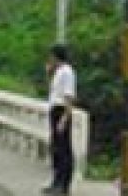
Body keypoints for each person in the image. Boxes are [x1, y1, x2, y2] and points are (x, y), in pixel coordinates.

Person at [44, 44, 77, 195]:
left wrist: (65, 118)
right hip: (54, 110)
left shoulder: (67, 72)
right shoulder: (58, 72)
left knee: (64, 149)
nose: (50, 59)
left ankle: (64, 185)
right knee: (56, 148)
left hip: (61, 111)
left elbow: (69, 97)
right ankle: (56, 181)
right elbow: (54, 91)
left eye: (51, 56)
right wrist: (49, 73)